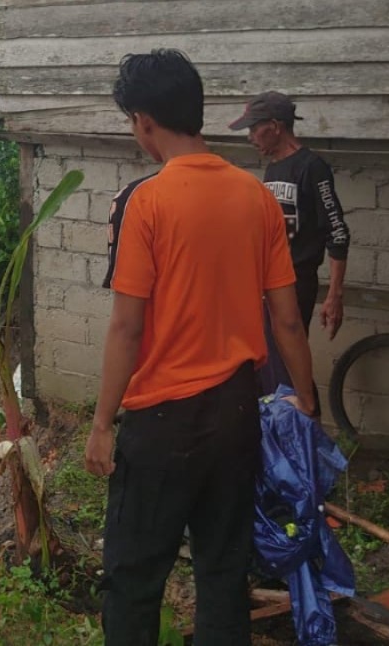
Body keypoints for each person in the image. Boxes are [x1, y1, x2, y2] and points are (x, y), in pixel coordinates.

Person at [85, 49, 318, 646]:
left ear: (143, 121)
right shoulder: (255, 196)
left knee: (135, 579)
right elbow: (287, 321)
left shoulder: (148, 202)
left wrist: (103, 422)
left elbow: (127, 329)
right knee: (221, 573)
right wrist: (308, 401)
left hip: (161, 425)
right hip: (238, 414)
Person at [229, 91, 351, 395]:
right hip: (268, 282)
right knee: (267, 363)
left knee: (288, 362)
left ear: (275, 126)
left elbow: (337, 232)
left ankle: (306, 425)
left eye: (254, 128)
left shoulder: (312, 167)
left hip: (297, 282)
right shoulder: (273, 169)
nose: (250, 137)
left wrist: (334, 296)